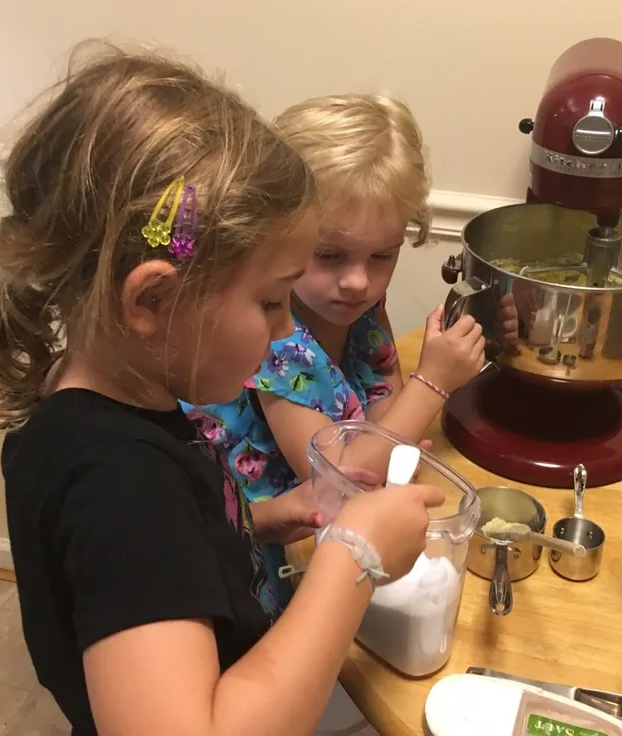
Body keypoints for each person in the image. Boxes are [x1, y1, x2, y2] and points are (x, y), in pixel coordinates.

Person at [0, 48, 443, 736]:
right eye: (272, 301)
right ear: (153, 299)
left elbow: (167, 550)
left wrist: (270, 517)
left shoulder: (103, 404)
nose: (282, 334)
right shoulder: (120, 484)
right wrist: (351, 558)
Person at [185, 94, 485, 605]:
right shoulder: (269, 334)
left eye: (382, 256)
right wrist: (433, 384)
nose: (357, 281)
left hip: (326, 537)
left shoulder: (361, 304)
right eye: (328, 255)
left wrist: (404, 420)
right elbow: (340, 478)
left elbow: (381, 401)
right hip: (254, 558)